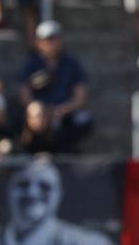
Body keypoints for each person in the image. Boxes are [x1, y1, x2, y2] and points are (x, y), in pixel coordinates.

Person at [0, 158, 118, 245]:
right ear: (8, 190)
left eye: (45, 187)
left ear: (59, 194)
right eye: (23, 185)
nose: (32, 194)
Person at [18, 20, 91, 152]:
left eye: (54, 38)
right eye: (47, 39)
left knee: (83, 121)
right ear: (38, 42)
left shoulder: (72, 64)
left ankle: (66, 156)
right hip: (38, 112)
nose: (51, 43)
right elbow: (24, 95)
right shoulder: (31, 64)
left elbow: (80, 97)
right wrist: (39, 110)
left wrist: (63, 109)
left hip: (64, 113)